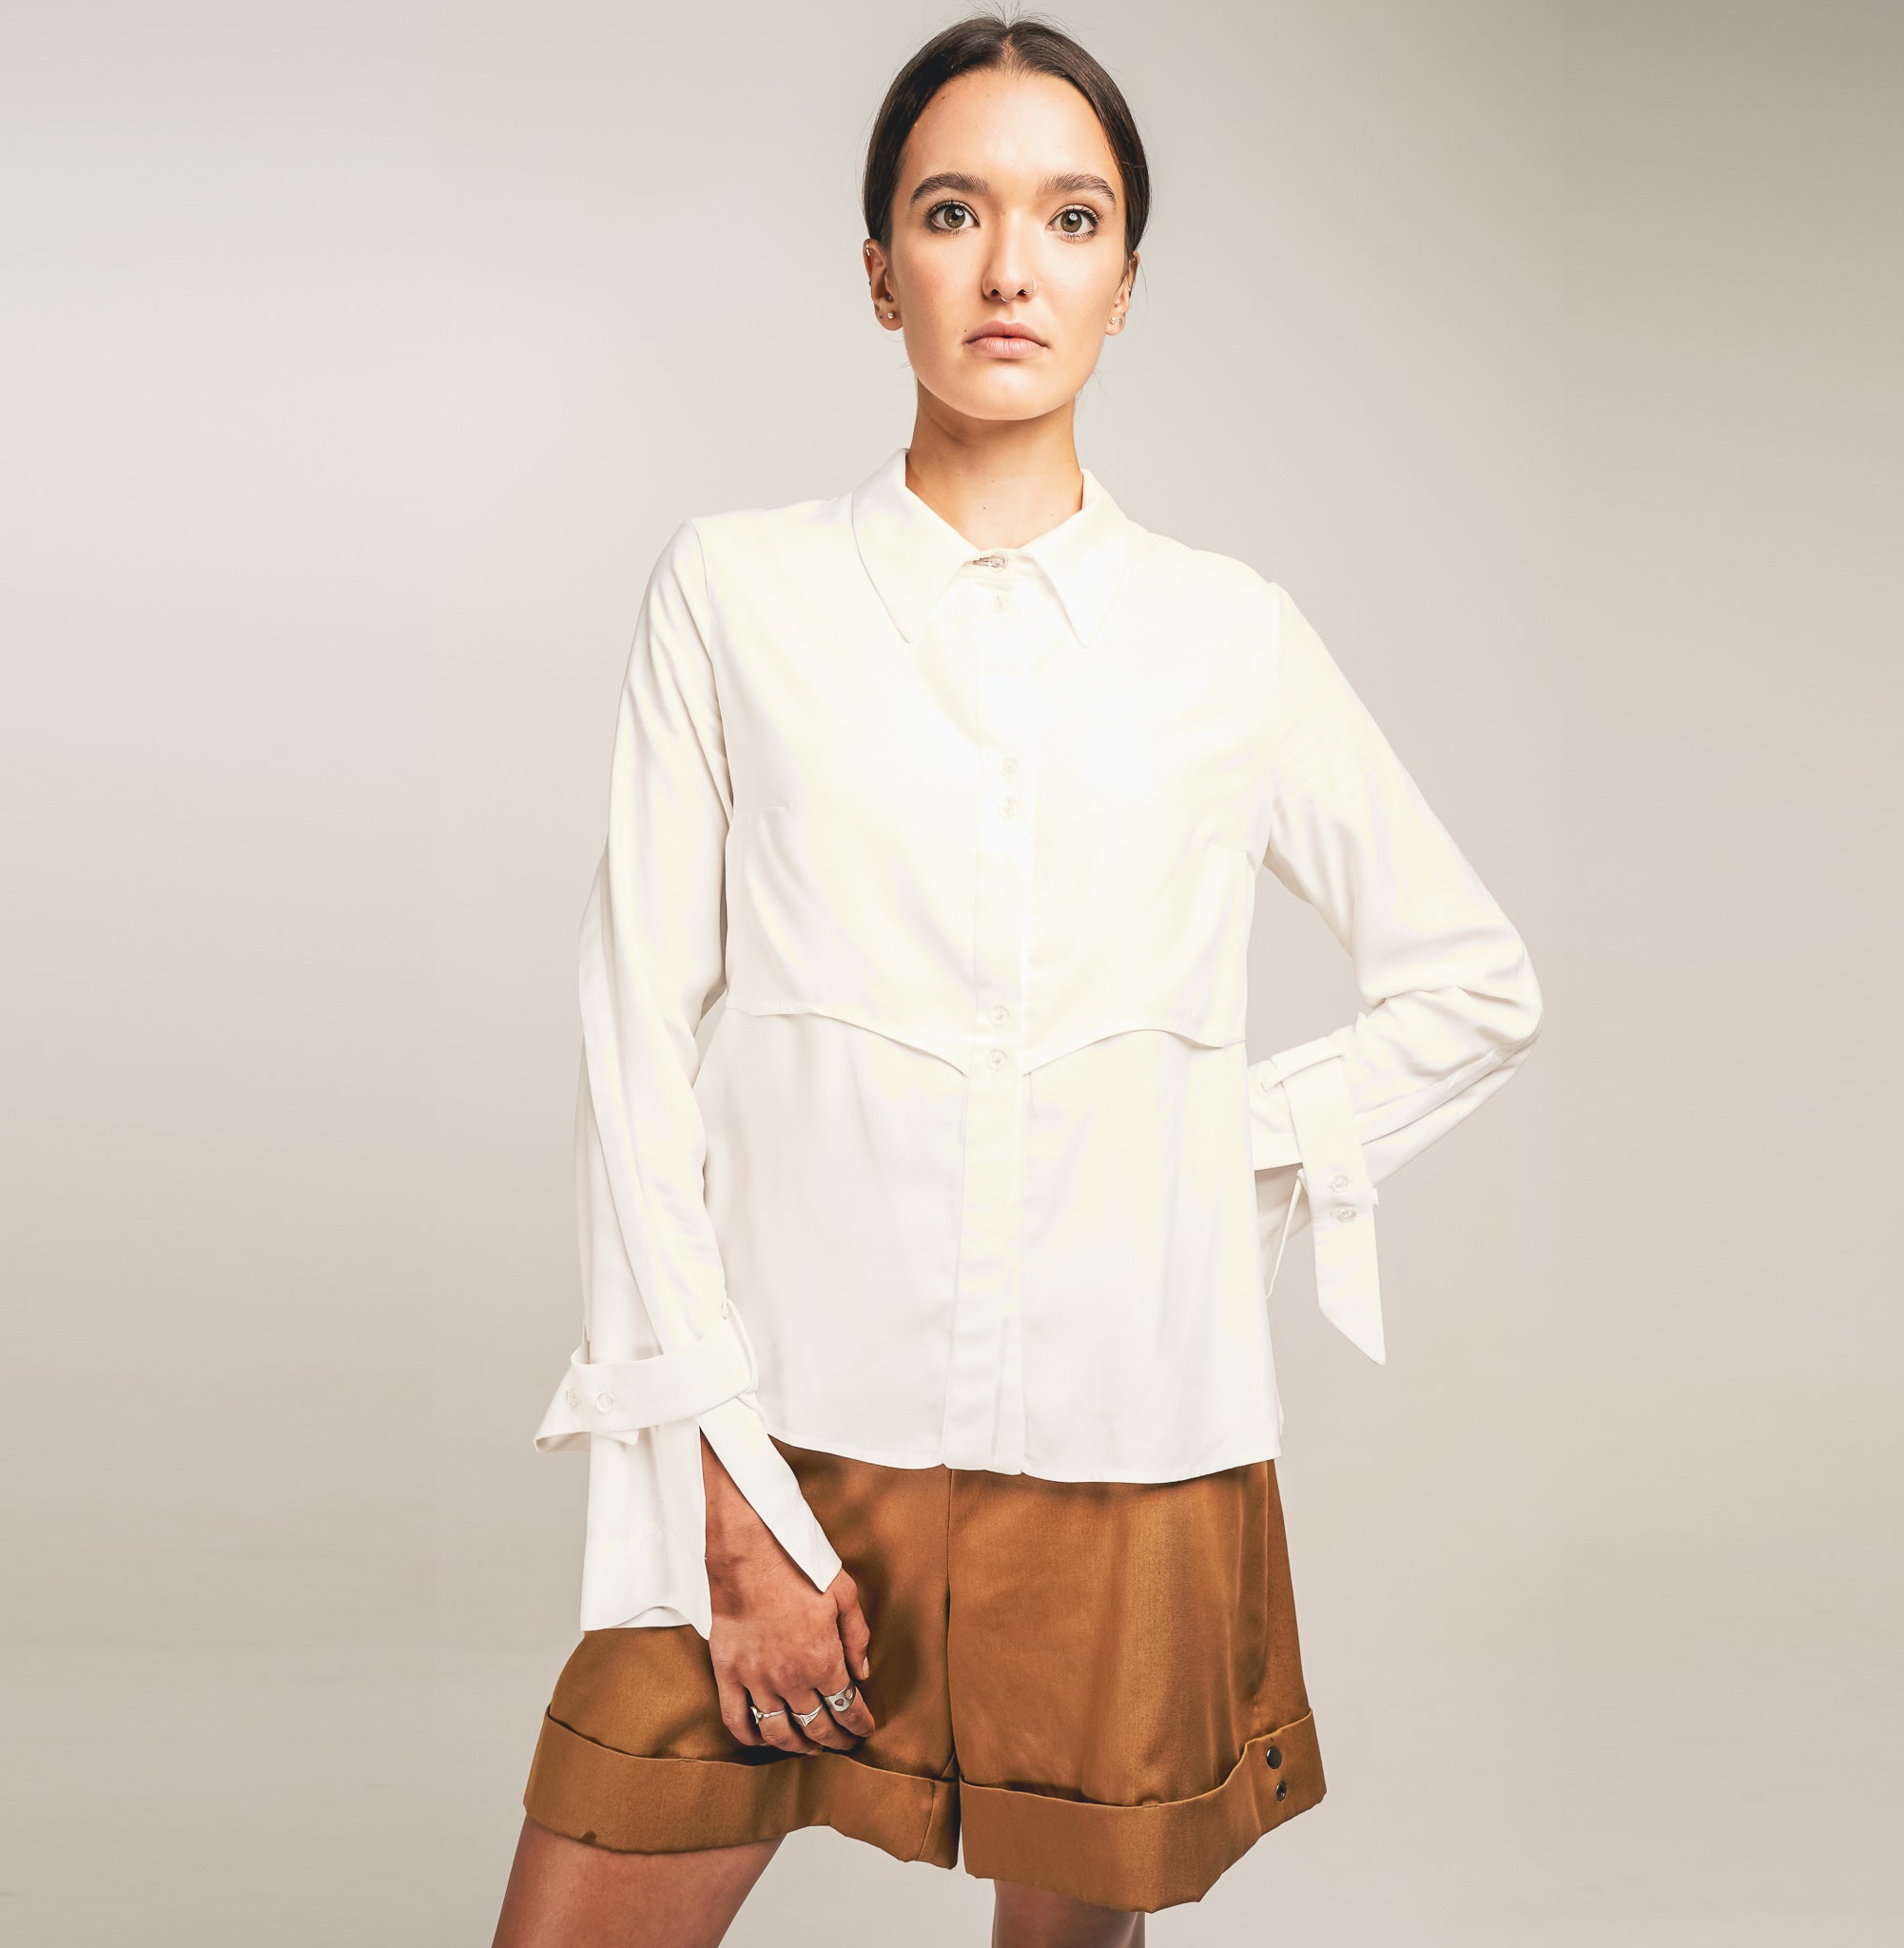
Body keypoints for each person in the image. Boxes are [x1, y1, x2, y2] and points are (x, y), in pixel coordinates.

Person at [491, 12, 1544, 1946]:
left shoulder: (1231, 638)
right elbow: (628, 1043)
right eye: (951, 210)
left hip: (1120, 1450)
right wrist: (725, 1488)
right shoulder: (733, 593)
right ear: (877, 265)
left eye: (1070, 218)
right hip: (784, 1433)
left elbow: (1472, 984)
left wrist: (1196, 1137)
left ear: (1125, 281)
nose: (1008, 268)